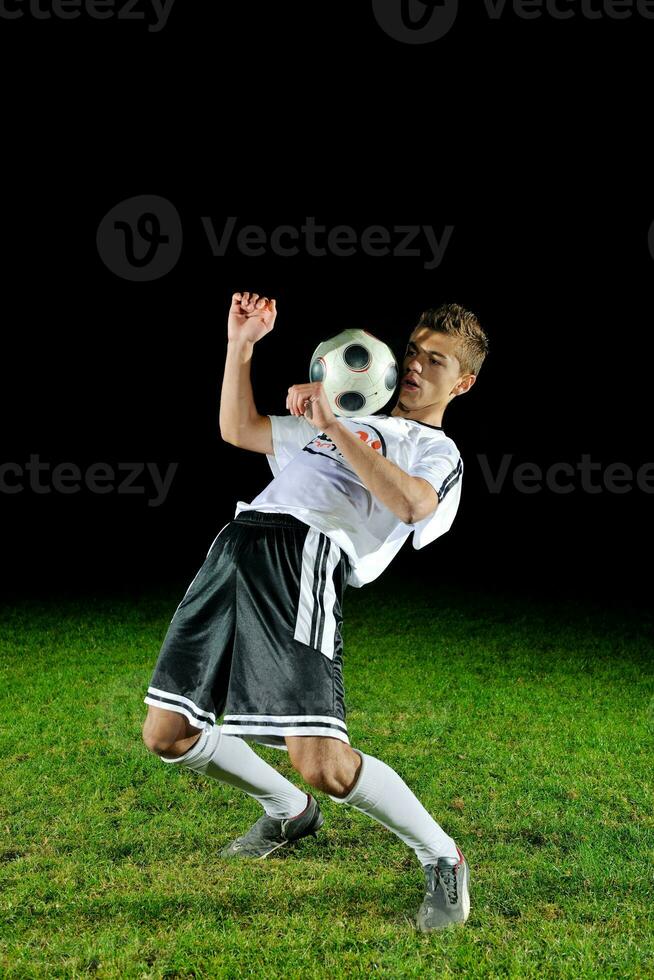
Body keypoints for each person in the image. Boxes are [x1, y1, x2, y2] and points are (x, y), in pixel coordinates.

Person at [142, 291, 489, 932]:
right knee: (167, 735)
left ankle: (442, 855)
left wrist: (334, 425)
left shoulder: (435, 452)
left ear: (461, 383)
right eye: (413, 351)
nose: (415, 366)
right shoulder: (352, 412)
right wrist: (240, 347)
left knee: (324, 765)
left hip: (303, 557)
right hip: (236, 545)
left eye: (435, 361)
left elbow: (414, 506)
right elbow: (238, 430)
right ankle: (287, 811)